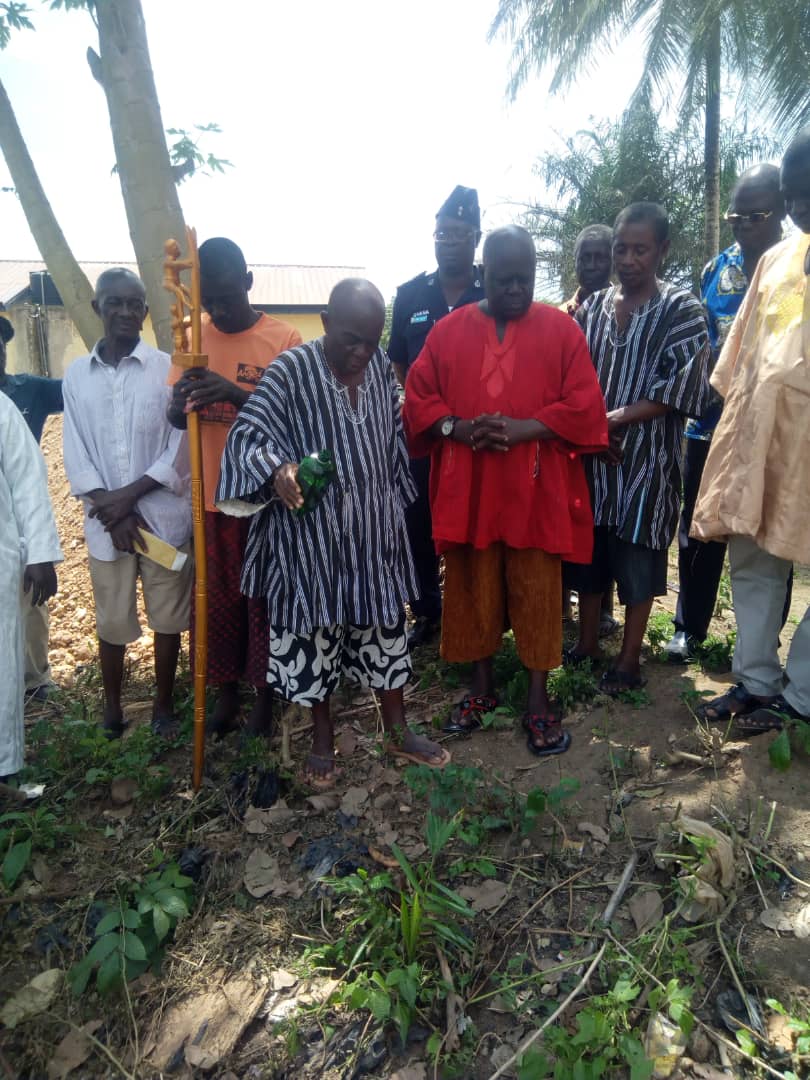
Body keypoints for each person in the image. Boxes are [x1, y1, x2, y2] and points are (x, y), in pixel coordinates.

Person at [216, 278, 449, 786]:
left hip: (372, 534)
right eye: (351, 339)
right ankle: (322, 737)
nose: (363, 352)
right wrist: (279, 471)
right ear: (324, 323)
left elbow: (392, 437)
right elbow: (250, 432)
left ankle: (397, 731)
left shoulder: (380, 374)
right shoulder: (290, 371)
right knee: (316, 633)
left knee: (386, 630)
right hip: (311, 539)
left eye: (372, 341)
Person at [404, 226, 608, 757]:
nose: (516, 289)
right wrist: (456, 428)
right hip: (469, 488)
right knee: (473, 584)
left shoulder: (562, 330)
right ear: (482, 274)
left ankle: (538, 699)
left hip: (535, 490)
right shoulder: (448, 333)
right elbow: (418, 397)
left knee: (538, 588)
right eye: (503, 279)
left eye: (525, 278)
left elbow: (586, 406)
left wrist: (528, 427)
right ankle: (482, 687)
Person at [690, 131, 810, 733]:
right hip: (765, 444)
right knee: (754, 560)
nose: (801, 207)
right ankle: (758, 683)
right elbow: (739, 362)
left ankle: (804, 697)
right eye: (794, 194)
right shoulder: (774, 261)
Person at [569, 202, 710, 695]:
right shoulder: (593, 309)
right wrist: (593, 427)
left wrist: (615, 419)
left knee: (638, 556)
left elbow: (684, 389)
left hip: (647, 465)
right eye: (621, 249)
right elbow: (575, 377)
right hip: (594, 461)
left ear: (662, 251)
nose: (628, 260)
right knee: (589, 556)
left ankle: (629, 658)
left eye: (640, 250)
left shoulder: (683, 311)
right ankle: (587, 643)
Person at [168, 238, 302, 737]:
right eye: (211, 303)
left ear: (248, 282)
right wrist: (181, 399)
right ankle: (225, 694)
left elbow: (294, 423)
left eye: (228, 297)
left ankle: (265, 699)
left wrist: (234, 394)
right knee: (217, 601)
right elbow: (173, 418)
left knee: (263, 601)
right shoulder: (193, 341)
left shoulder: (284, 340)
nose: (220, 311)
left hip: (263, 502)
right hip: (211, 500)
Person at [63, 269, 192, 738]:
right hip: (107, 525)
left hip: (160, 517)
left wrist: (129, 499)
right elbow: (75, 450)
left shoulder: (167, 368)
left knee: (168, 618)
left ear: (144, 311)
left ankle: (162, 706)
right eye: (113, 302)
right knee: (112, 618)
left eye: (134, 304)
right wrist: (109, 508)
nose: (124, 312)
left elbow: (179, 446)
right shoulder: (77, 376)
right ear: (98, 307)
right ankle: (113, 709)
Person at [665, 165, 787, 662]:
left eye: (753, 216)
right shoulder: (717, 269)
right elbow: (703, 345)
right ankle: (688, 629)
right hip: (709, 428)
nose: (740, 225)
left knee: (764, 532)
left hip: (771, 430)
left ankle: (761, 642)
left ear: (782, 213)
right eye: (734, 215)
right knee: (699, 528)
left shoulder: (797, 269)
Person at [388, 186, 484, 648]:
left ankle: (474, 606)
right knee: (418, 520)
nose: (448, 241)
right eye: (441, 233)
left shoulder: (493, 289)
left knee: (475, 519)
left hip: (478, 433)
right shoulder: (410, 295)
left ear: (476, 238)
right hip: (424, 435)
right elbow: (400, 367)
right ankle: (427, 610)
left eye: (459, 234)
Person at [559, 225, 618, 637]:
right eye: (586, 258)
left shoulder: (623, 308)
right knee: (564, 523)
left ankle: (603, 611)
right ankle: (561, 610)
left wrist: (603, 427)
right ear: (575, 263)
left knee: (604, 526)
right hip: (568, 440)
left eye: (601, 257)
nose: (593, 266)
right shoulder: (562, 315)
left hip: (610, 437)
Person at [0, 314, 64, 701]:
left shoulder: (28, 391)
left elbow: (82, 392)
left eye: (2, 342)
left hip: (22, 516)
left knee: (30, 603)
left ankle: (36, 680)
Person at [0, 391, 61, 781]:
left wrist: (38, 552)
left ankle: (3, 767)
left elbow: (27, 480)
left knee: (2, 661)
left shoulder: (1, 409)